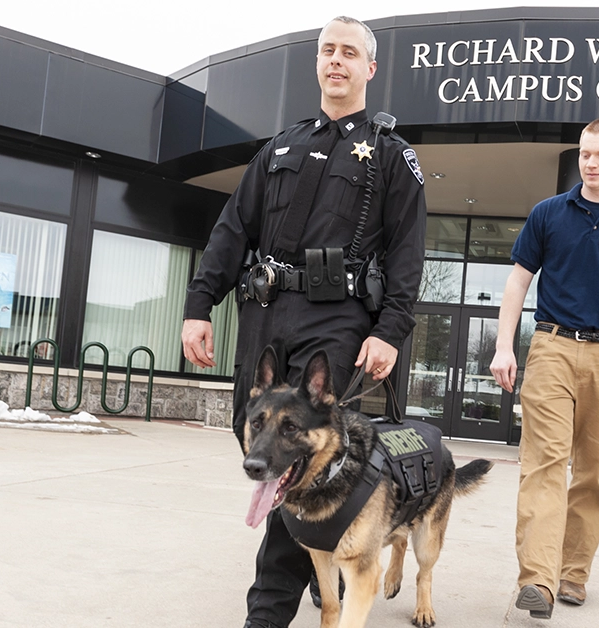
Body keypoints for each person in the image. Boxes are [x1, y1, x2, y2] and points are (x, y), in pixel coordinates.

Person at [181, 16, 427, 628]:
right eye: (327, 51)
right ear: (317, 63)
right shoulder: (279, 148)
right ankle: (324, 563)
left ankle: (267, 611)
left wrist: (389, 330)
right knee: (262, 442)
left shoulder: (391, 156)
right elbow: (233, 228)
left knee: (301, 453)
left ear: (370, 68)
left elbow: (407, 253)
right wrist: (197, 305)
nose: (336, 61)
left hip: (337, 320)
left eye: (350, 53)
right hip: (267, 314)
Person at [489, 118, 599, 619]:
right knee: (544, 465)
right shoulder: (549, 214)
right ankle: (538, 581)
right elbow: (517, 283)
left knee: (592, 473)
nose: (590, 163)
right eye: (585, 154)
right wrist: (505, 347)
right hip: (551, 347)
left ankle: (572, 574)